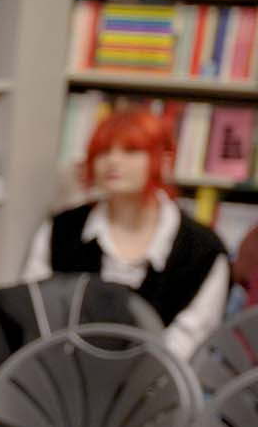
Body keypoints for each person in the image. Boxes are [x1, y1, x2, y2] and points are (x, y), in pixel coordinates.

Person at [21, 108, 228, 363]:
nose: (113, 161)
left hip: (159, 381)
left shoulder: (203, 250)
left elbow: (189, 340)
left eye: (130, 151)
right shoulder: (61, 229)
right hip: (62, 372)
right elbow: (33, 308)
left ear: (163, 159)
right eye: (103, 152)